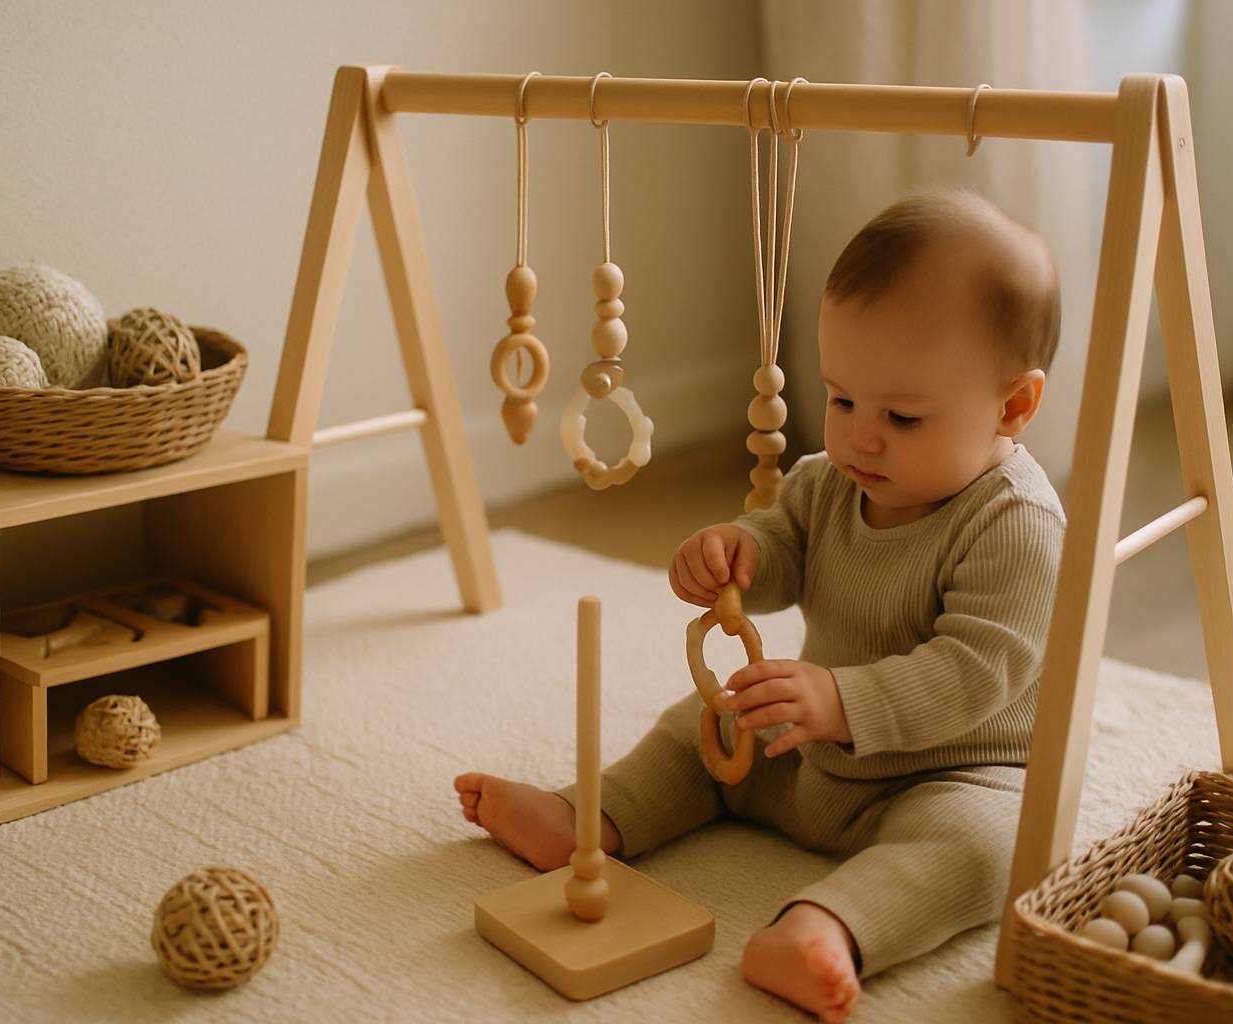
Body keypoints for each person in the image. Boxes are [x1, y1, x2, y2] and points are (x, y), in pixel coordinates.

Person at [455, 187, 1067, 1022]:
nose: (859, 435)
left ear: (1014, 404)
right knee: (702, 725)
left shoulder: (1015, 522)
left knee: (989, 853)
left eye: (903, 415)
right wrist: (736, 555)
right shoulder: (831, 479)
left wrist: (843, 700)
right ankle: (588, 821)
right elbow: (784, 546)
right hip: (810, 750)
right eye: (843, 398)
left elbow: (977, 671)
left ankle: (827, 927)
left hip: (950, 771)